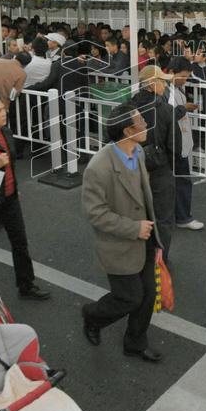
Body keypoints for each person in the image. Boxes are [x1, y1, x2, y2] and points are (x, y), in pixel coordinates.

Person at [80, 101, 163, 363]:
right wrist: (133, 228)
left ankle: (135, 342)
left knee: (148, 294)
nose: (146, 124)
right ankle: (92, 316)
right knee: (128, 298)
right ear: (128, 131)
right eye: (140, 121)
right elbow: (96, 214)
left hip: (146, 237)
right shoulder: (98, 168)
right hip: (119, 242)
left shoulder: (137, 151)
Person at [0, 94, 51, 300]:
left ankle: (26, 285)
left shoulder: (6, 131)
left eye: (3, 109)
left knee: (20, 242)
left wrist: (14, 188)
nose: (5, 112)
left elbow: (11, 165)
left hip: (10, 197)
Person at [132, 65, 180, 260]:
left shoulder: (128, 106)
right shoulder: (166, 110)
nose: (165, 85)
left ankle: (138, 257)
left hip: (133, 167)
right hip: (159, 169)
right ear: (152, 84)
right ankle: (159, 260)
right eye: (163, 81)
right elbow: (175, 147)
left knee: (136, 214)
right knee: (162, 218)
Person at [167, 57, 204, 231]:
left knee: (177, 181)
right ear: (171, 72)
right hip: (173, 144)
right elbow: (167, 115)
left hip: (180, 142)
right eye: (183, 75)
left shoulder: (176, 88)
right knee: (181, 182)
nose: (185, 79)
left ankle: (177, 215)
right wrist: (184, 108)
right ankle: (182, 217)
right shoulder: (166, 91)